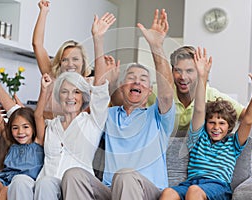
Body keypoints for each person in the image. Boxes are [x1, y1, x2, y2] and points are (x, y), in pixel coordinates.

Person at [61, 8, 175, 200]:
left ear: (149, 90)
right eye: (131, 78)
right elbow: (98, 92)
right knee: (74, 175)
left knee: (125, 175)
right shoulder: (110, 115)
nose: (137, 82)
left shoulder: (157, 117)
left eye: (143, 79)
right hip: (112, 190)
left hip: (148, 191)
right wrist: (98, 40)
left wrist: (156, 46)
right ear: (122, 87)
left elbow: (165, 93)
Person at [6, 11, 115, 200]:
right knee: (20, 181)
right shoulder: (53, 125)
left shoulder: (92, 122)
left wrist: (98, 39)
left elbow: (100, 88)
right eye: (64, 92)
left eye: (76, 92)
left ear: (84, 97)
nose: (70, 96)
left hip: (72, 186)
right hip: (44, 182)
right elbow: (36, 117)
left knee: (46, 184)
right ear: (57, 95)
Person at [159, 47, 252, 200]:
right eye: (211, 122)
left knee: (194, 191)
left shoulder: (233, 143)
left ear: (230, 127)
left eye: (221, 123)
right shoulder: (198, 138)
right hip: (191, 183)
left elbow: (248, 120)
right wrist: (202, 76)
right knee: (168, 193)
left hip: (217, 186)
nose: (216, 127)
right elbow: (199, 109)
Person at [147, 46, 252, 136]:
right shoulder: (157, 93)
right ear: (172, 70)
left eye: (189, 71)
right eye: (178, 70)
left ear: (199, 72)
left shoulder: (213, 96)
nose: (183, 77)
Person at [0, 55, 44, 200]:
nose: (20, 132)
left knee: (5, 192)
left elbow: (39, 114)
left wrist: (44, 89)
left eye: (25, 127)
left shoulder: (38, 141)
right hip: (5, 177)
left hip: (23, 183)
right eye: (15, 128)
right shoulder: (12, 142)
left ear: (33, 128)